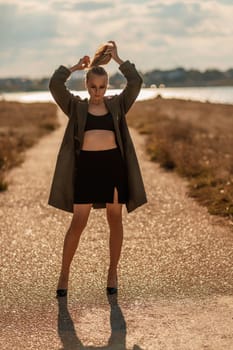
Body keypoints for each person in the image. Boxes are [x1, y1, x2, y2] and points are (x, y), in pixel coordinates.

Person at [48, 40, 147, 297]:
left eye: (102, 87)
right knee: (78, 221)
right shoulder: (77, 107)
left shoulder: (117, 105)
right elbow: (55, 85)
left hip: (113, 167)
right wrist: (75, 67)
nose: (97, 91)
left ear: (107, 86)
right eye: (92, 86)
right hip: (87, 170)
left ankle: (113, 272)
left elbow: (135, 82)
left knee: (115, 219)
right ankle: (64, 275)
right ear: (86, 85)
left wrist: (118, 60)